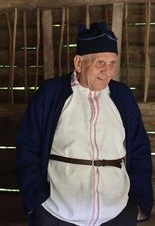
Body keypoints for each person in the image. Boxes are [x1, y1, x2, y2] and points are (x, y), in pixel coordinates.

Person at [15, 22, 153, 226]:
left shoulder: (121, 96)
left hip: (117, 212)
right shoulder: (51, 94)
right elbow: (27, 147)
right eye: (100, 63)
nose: (108, 71)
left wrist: (137, 203)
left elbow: (139, 148)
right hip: (58, 212)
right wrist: (38, 202)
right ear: (79, 63)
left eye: (112, 63)